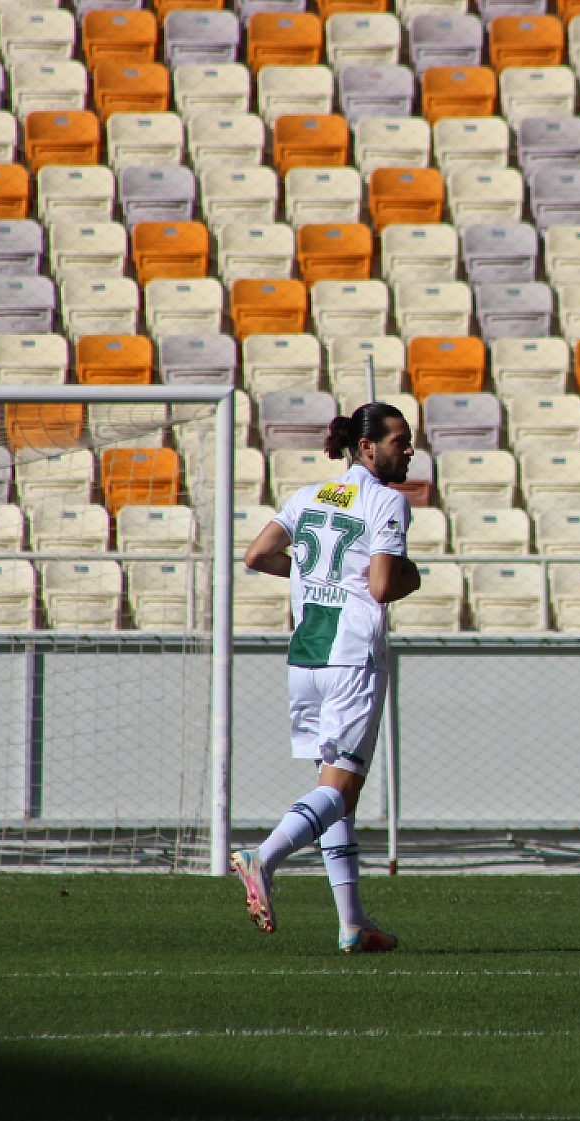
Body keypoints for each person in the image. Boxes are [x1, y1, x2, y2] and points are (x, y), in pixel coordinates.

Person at [231, 401, 422, 953]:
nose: (408, 449)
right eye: (399, 440)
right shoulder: (386, 500)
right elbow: (384, 586)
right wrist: (412, 575)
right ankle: (262, 857)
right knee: (339, 791)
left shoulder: (307, 495)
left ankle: (353, 922)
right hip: (351, 658)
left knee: (335, 791)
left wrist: (315, 573)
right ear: (367, 447)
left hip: (307, 656)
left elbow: (258, 554)